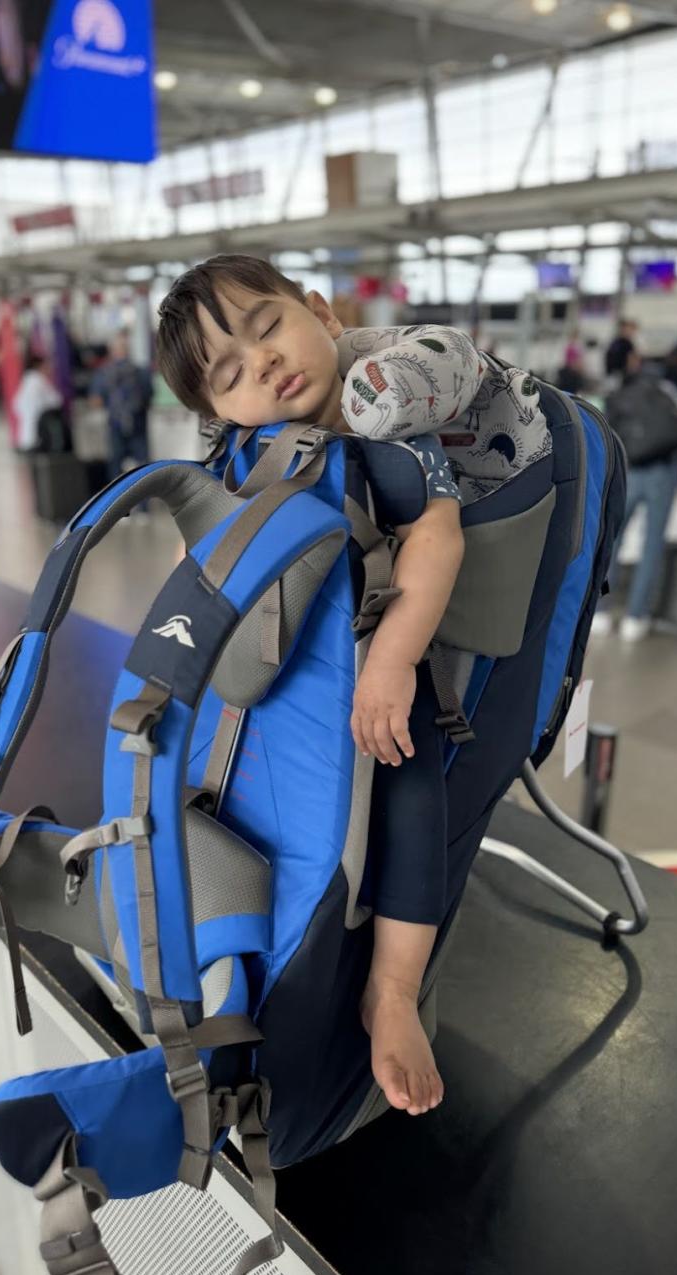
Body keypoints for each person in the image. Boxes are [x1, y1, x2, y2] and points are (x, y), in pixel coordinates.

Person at [156, 255, 470, 1119]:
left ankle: (393, 991)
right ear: (216, 412)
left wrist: (394, 661)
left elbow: (437, 538)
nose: (262, 363)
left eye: (268, 328)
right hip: (259, 703)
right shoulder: (233, 465)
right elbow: (198, 569)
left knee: (412, 787)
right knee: (210, 806)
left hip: (373, 677)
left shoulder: (388, 432)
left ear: (323, 316)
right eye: (230, 373)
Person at [591, 350, 677, 643]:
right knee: (652, 544)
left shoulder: (624, 392)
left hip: (631, 470)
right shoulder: (669, 391)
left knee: (612, 541)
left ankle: (600, 610)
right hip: (663, 472)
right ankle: (635, 617)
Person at [90, 332, 153, 483]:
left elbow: (95, 401)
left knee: (116, 464)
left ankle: (117, 501)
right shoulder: (140, 371)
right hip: (138, 422)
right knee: (142, 463)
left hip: (115, 424)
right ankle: (144, 501)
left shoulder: (103, 373)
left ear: (112, 351)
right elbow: (149, 395)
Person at [13, 353, 62, 452]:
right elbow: (56, 400)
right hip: (38, 431)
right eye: (47, 365)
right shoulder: (39, 381)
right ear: (40, 366)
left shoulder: (27, 381)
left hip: (26, 434)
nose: (50, 368)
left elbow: (16, 405)